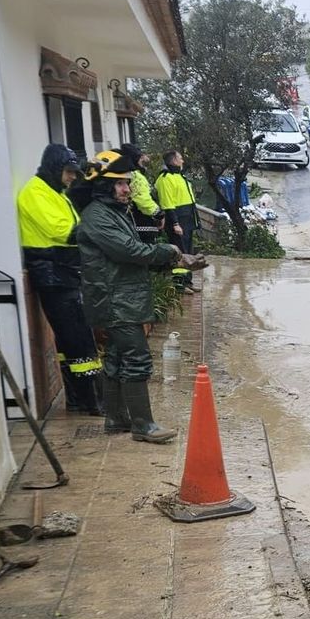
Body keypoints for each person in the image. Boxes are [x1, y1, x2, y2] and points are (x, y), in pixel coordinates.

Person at [73, 150, 205, 444]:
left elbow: (132, 251)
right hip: (115, 300)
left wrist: (174, 257)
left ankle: (116, 419)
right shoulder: (97, 217)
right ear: (103, 186)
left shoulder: (112, 212)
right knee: (137, 358)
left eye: (127, 182)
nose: (127, 188)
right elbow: (130, 252)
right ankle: (143, 426)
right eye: (120, 183)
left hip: (120, 296)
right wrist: (173, 253)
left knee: (119, 356)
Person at [16, 144, 102, 415]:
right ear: (54, 168)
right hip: (53, 274)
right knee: (80, 340)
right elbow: (62, 231)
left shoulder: (54, 192)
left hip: (62, 274)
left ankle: (77, 399)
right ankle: (95, 401)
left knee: (69, 341)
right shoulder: (35, 192)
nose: (72, 177)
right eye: (68, 172)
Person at [155, 150, 198, 293]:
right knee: (179, 254)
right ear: (173, 161)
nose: (183, 161)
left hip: (188, 219)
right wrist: (175, 223)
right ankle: (179, 284)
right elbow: (167, 204)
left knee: (188, 252)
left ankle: (188, 281)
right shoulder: (165, 178)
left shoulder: (180, 176)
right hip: (177, 220)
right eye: (180, 158)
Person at [118, 143, 164, 245]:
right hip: (142, 223)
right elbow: (142, 199)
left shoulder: (125, 174)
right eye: (140, 157)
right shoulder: (136, 176)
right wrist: (159, 214)